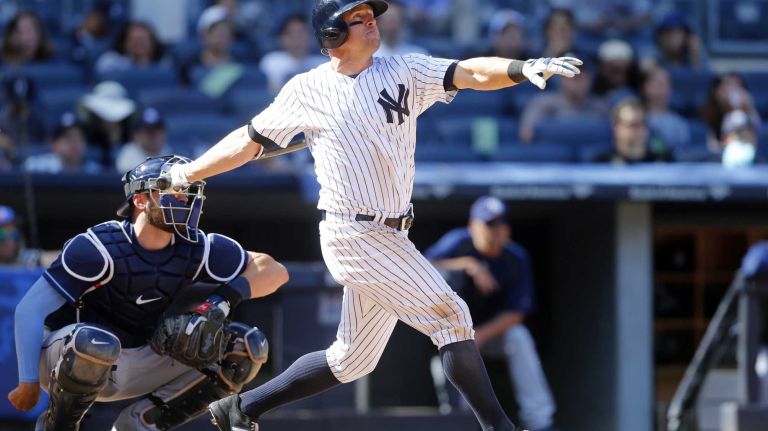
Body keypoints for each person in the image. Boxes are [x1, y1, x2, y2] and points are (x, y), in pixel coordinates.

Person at [160, 1, 581, 430]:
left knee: (352, 359)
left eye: (371, 16)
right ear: (332, 35)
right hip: (353, 232)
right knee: (451, 317)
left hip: (393, 232)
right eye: (358, 19)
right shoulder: (307, 89)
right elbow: (249, 141)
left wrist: (522, 67)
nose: (372, 23)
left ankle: (241, 408)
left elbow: (469, 72)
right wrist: (187, 173)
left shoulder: (403, 69)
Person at [7, 155, 289, 431]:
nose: (184, 199)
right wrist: (27, 382)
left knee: (246, 347)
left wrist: (223, 299)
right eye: (174, 191)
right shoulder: (98, 246)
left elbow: (274, 270)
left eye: (188, 191)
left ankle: (139, 424)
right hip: (67, 358)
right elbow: (29, 311)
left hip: (139, 357)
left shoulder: (198, 247)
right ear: (140, 200)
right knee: (96, 342)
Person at [425, 196, 556, 431]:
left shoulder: (516, 257)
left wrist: (480, 335)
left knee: (519, 336)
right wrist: (468, 265)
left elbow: (517, 313)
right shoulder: (458, 243)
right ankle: (459, 420)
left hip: (490, 334)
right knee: (448, 352)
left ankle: (540, 422)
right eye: (489, 224)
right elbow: (421, 268)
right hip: (450, 333)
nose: (497, 230)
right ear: (472, 226)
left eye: (502, 223)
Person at [518, 59, 606, 143]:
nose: (578, 82)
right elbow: (526, 135)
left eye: (582, 77)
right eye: (573, 77)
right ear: (561, 79)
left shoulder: (601, 106)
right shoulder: (543, 103)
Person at [258, 14, 325, 93]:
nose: (296, 40)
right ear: (281, 38)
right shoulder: (270, 62)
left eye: (301, 34)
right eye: (291, 34)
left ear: (312, 37)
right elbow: (270, 92)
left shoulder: (323, 63)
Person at [595, 98, 673, 164]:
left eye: (642, 123)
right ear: (617, 129)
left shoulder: (663, 162)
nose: (638, 129)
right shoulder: (601, 163)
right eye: (632, 124)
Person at [24, 112, 101, 174]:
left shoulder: (95, 172)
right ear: (54, 144)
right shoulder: (36, 168)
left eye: (80, 137)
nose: (75, 143)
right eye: (68, 137)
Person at [115, 107, 174, 174]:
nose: (154, 136)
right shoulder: (127, 156)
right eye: (149, 132)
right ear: (136, 135)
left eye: (157, 131)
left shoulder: (169, 152)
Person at [94, 21, 167, 74]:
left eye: (143, 40)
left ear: (152, 43)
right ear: (124, 42)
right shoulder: (110, 62)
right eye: (135, 40)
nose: (139, 44)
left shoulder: (163, 65)